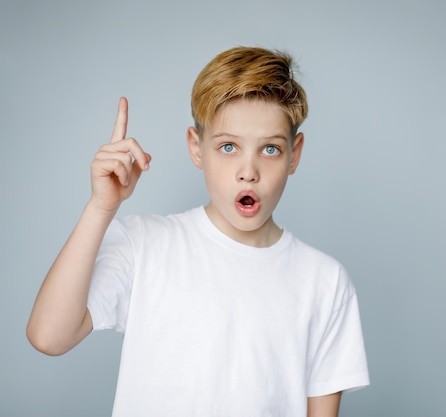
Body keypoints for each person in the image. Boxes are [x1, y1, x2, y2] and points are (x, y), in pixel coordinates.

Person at [26, 46, 369, 416]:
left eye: (270, 149)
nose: (248, 171)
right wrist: (100, 207)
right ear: (196, 148)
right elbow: (49, 337)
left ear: (294, 155)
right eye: (228, 146)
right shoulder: (144, 245)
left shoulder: (325, 281)